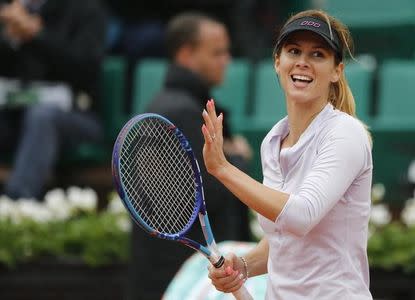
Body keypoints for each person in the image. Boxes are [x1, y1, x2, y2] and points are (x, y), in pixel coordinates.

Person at [202, 9, 373, 299]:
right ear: (278, 62)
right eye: (294, 51)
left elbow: (300, 216)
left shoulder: (345, 134)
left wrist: (223, 168)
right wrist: (243, 266)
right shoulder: (272, 142)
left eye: (318, 54)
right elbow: (285, 239)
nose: (303, 62)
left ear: (336, 71)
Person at [127, 12, 252, 300]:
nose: (226, 60)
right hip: (180, 280)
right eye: (217, 53)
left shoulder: (173, 105)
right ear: (186, 55)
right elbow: (208, 191)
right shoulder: (182, 112)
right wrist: (239, 160)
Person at [0, 0, 106, 199]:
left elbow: (84, 69)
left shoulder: (87, 10)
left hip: (78, 117)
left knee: (41, 116)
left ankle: (18, 207)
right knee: (36, 116)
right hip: (15, 115)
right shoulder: (14, 13)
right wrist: (10, 37)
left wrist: (38, 36)